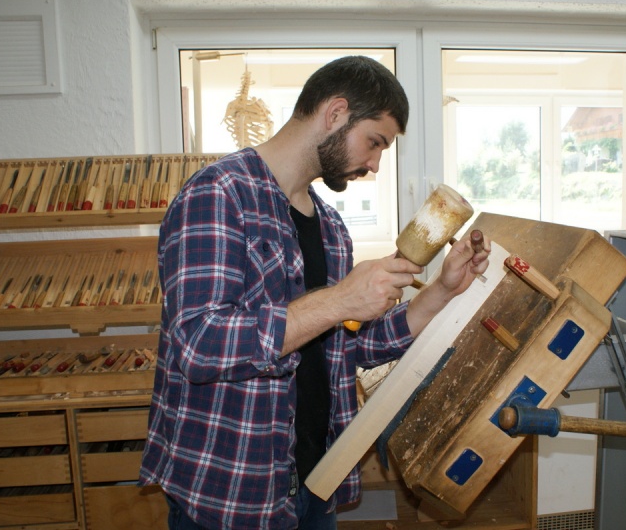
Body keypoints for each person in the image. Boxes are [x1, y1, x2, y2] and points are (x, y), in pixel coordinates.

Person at [139, 55, 491, 530]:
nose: (375, 164)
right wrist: (339, 299)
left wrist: (441, 292)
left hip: (315, 478)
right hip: (232, 489)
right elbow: (200, 345)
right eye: (375, 142)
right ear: (336, 112)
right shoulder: (218, 194)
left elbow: (346, 348)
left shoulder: (330, 227)